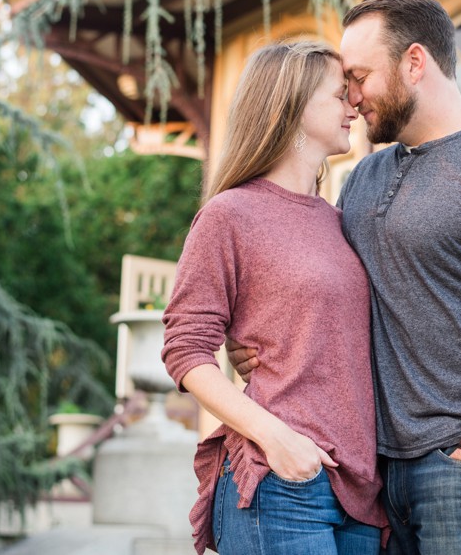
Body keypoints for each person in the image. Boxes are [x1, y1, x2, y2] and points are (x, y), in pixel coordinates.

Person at [229, 0, 461, 554]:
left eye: (360, 76)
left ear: (414, 63)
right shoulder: (362, 179)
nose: (351, 96)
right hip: (378, 480)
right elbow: (318, 287)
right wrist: (244, 337)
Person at [160, 40, 389, 555]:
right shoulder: (230, 215)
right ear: (293, 105)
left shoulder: (342, 223)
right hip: (283, 483)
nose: (353, 105)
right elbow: (186, 349)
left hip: (362, 492)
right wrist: (276, 438)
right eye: (338, 95)